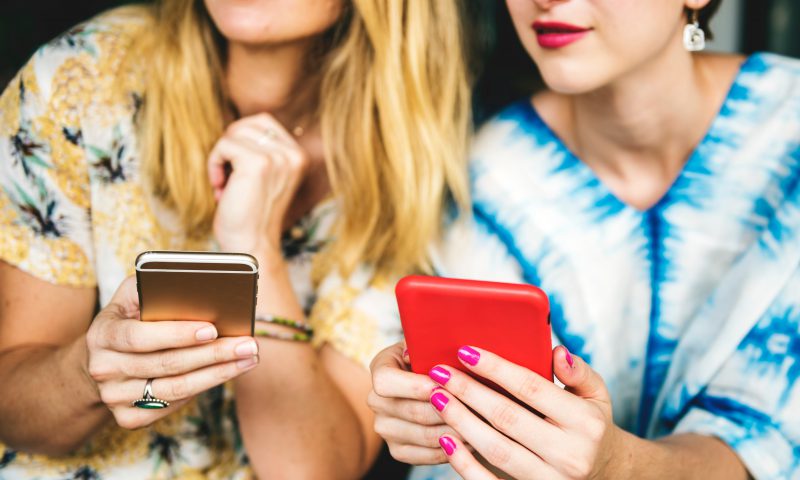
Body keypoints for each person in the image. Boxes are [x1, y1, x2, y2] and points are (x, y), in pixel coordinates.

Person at [0, 0, 471, 477]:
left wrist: (255, 246)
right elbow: (12, 410)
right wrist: (88, 370)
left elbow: (310, 471)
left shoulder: (408, 169)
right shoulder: (86, 79)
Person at [368, 0, 800, 478]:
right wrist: (435, 414)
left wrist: (616, 465)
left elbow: (769, 438)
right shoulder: (472, 180)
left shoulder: (790, 136)